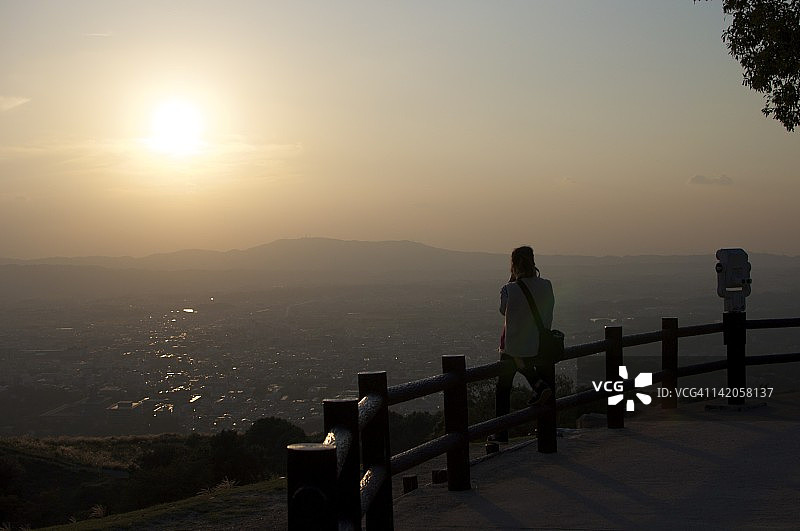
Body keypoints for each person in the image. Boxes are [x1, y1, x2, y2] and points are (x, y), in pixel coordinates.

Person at [489, 245, 555, 443]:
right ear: (533, 262)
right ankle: (538, 386)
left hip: (514, 346)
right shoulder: (547, 285)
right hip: (540, 345)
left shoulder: (509, 289)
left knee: (503, 388)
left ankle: (501, 432)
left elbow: (503, 310)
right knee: (525, 368)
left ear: (513, 265)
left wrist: (511, 284)